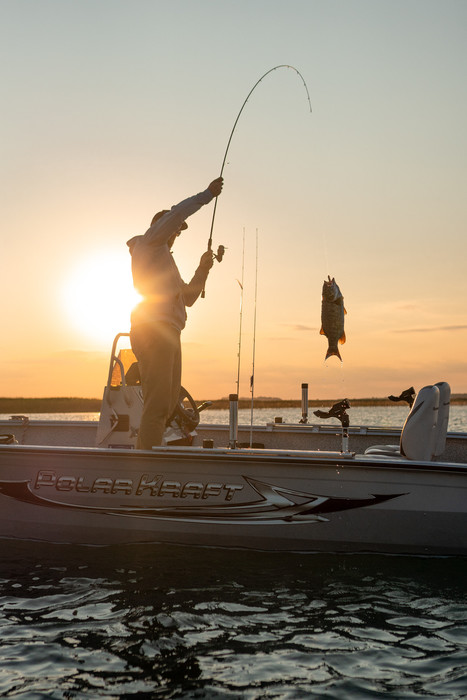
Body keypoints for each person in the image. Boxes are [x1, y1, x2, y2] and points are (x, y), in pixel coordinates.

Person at [126, 176, 224, 449]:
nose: (176, 234)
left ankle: (150, 453)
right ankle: (146, 465)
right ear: (160, 226)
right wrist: (207, 194)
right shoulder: (149, 244)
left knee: (168, 404)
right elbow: (179, 210)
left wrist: (204, 268)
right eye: (175, 229)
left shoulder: (166, 261)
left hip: (169, 332)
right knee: (158, 404)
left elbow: (189, 298)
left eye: (179, 232)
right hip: (154, 330)